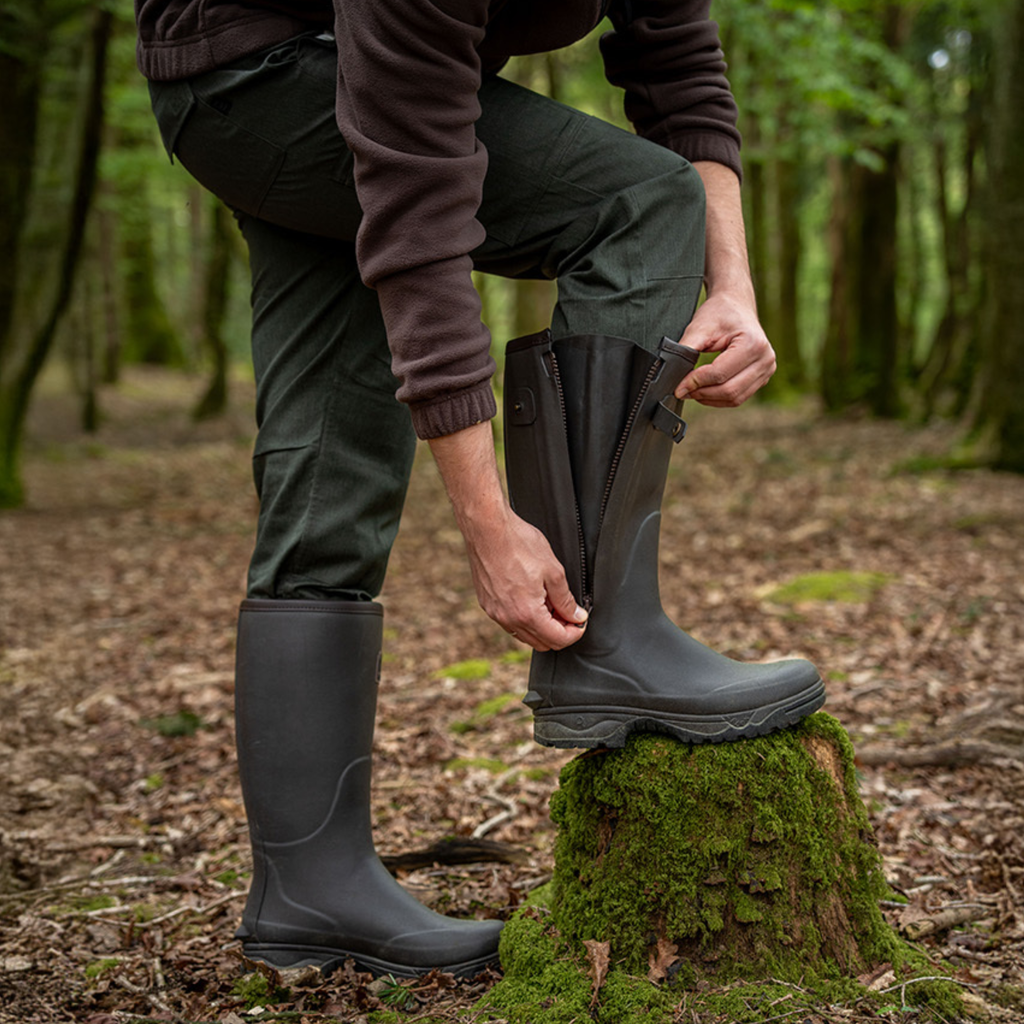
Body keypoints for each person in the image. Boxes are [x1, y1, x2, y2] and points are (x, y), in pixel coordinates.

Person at [134, 0, 824, 981]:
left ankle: (308, 890)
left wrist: (733, 284)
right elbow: (419, 216)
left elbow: (677, 64)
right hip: (260, 74)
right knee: (635, 199)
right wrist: (489, 524)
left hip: (286, 79)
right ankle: (608, 644)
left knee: (333, 450)